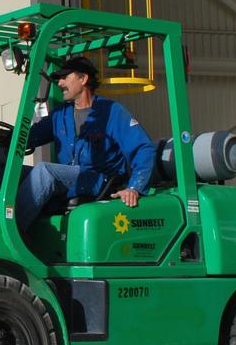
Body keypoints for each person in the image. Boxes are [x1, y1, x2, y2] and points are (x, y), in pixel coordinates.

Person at [14, 57, 155, 231]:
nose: (60, 83)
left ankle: (8, 233)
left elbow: (143, 148)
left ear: (83, 79)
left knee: (44, 171)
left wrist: (134, 187)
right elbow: (30, 137)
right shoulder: (61, 115)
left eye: (65, 77)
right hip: (68, 178)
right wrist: (6, 136)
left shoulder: (112, 111)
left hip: (98, 180)